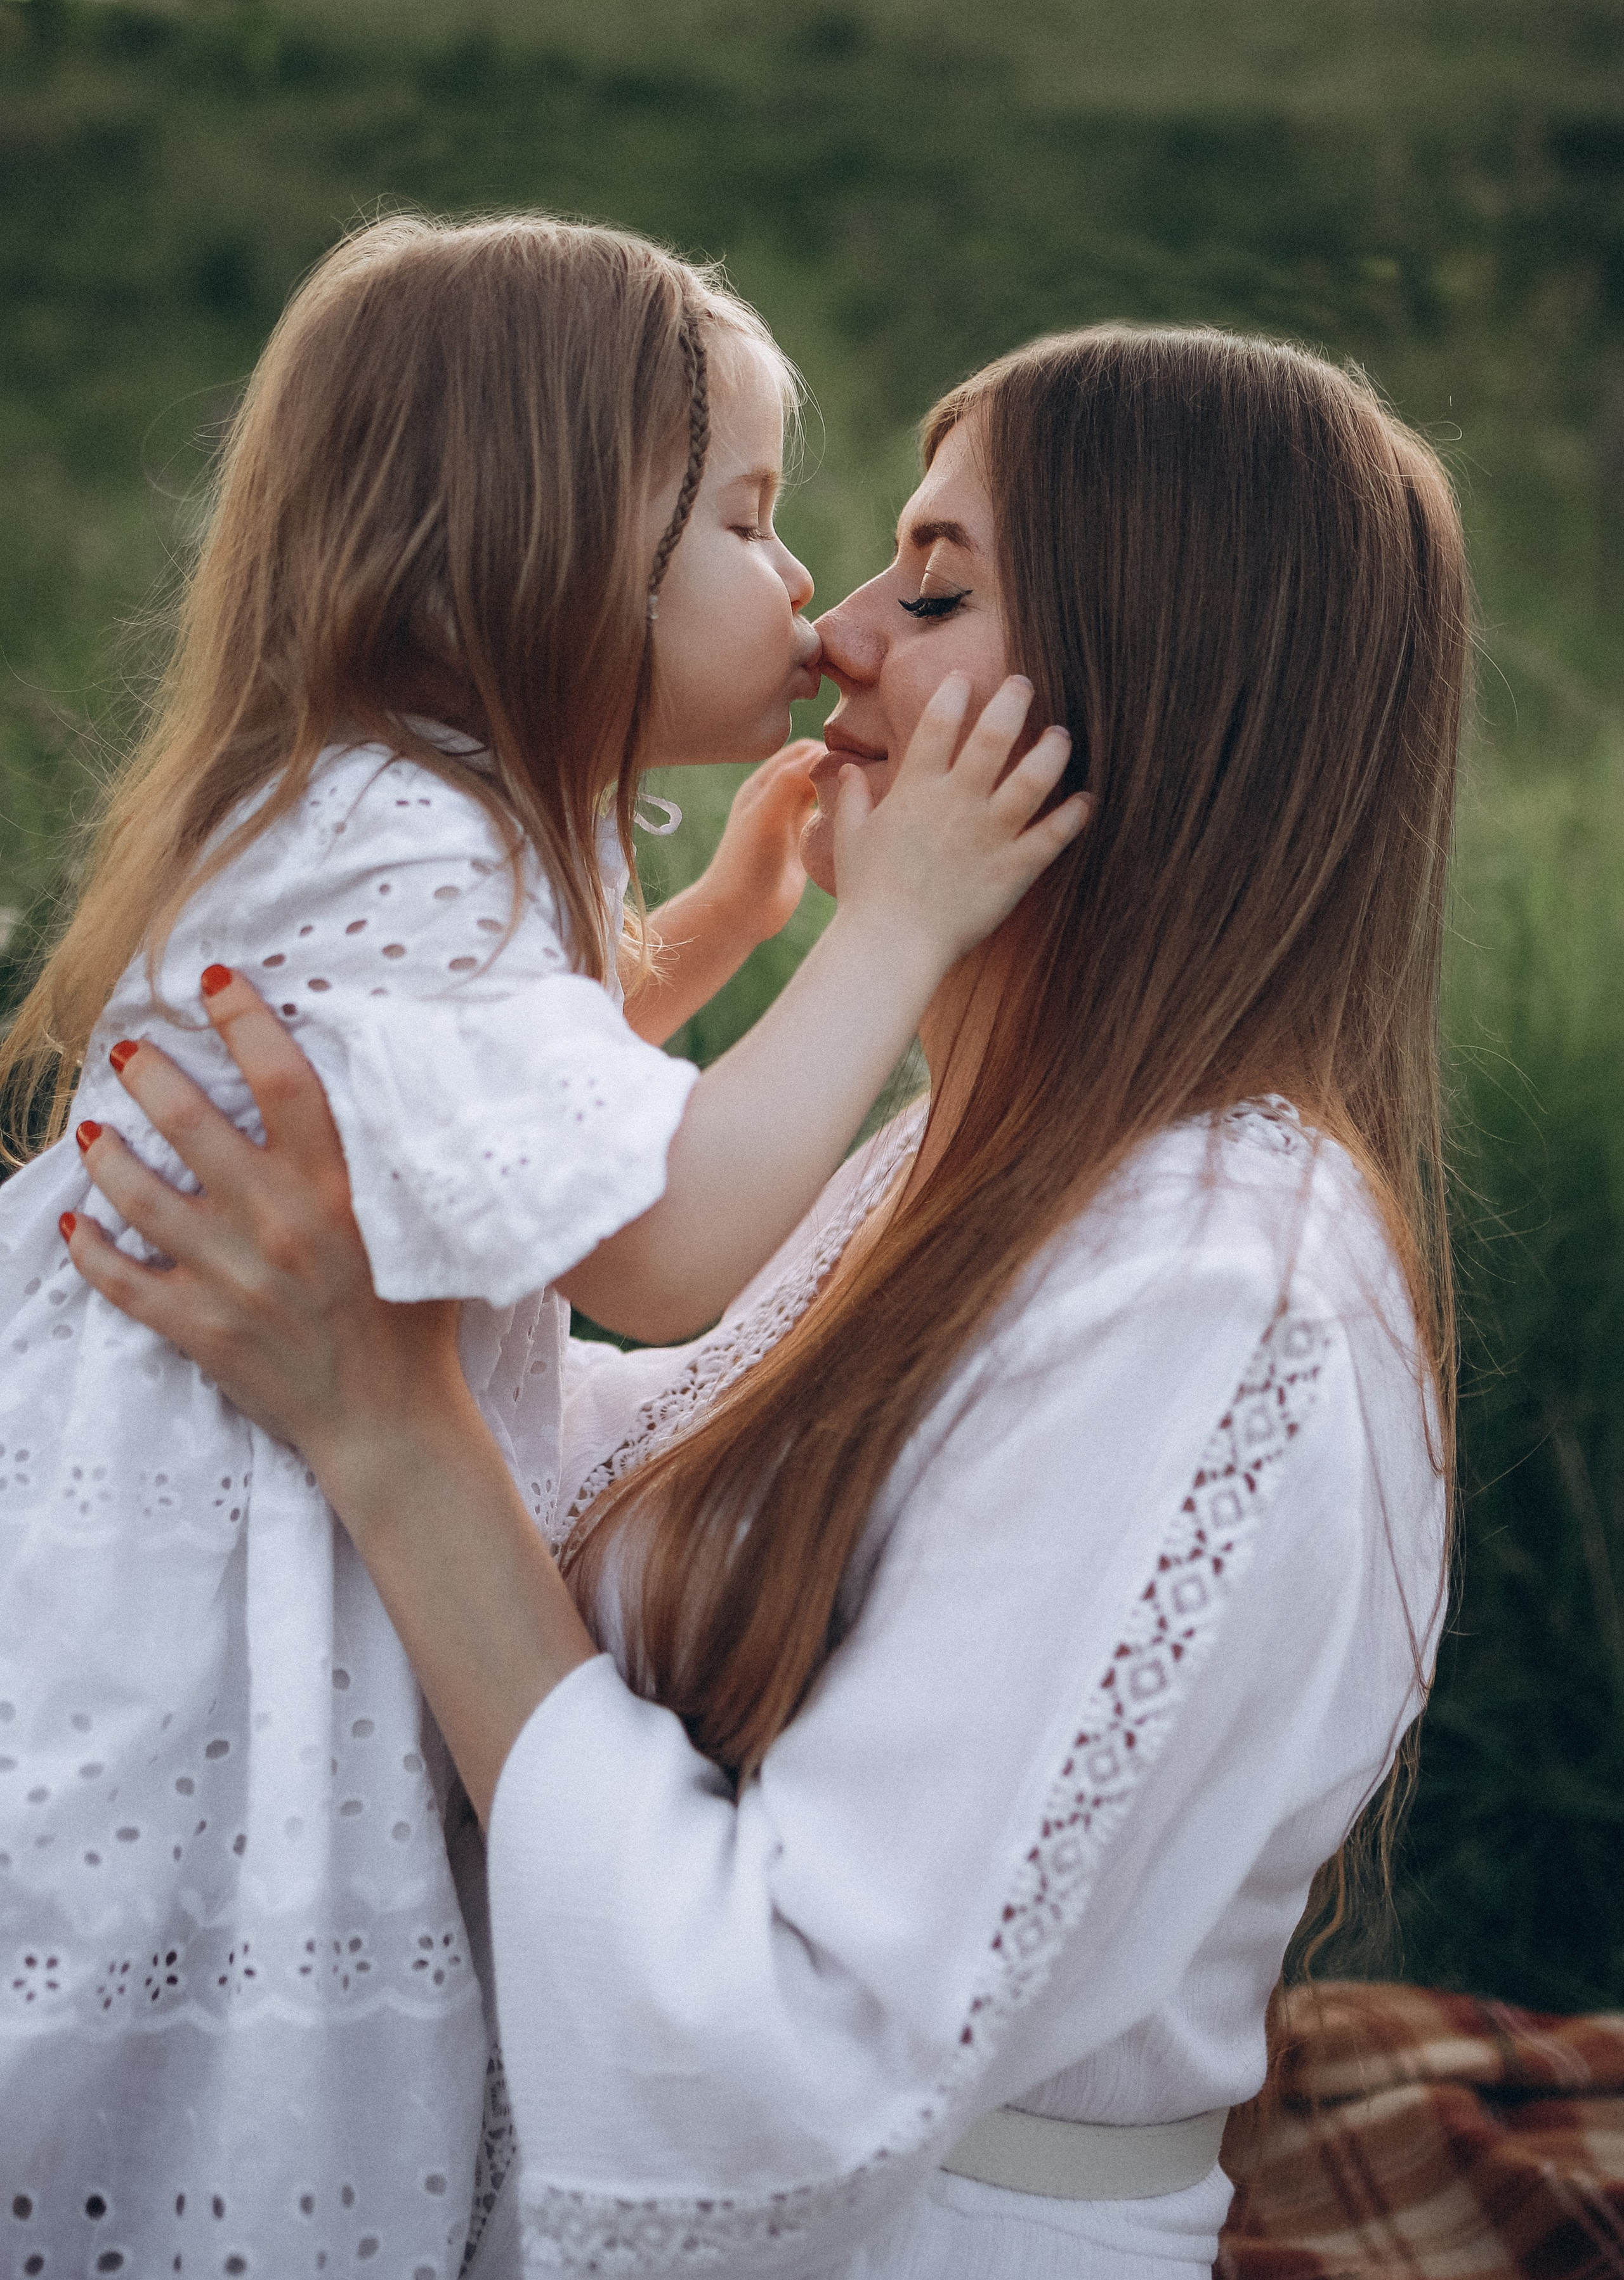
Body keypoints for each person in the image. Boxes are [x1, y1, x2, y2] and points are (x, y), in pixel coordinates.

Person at [62, 324, 1465, 2279]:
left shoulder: (1222, 1285)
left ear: (1158, 680)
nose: (845, 635)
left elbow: (779, 2065)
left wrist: (388, 1426)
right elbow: (654, 1445)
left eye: (941, 582)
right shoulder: (970, 1167)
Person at [0, 214, 1084, 2277]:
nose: (802, 592)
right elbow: (654, 1246)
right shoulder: (410, 844)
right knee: (195, 2068)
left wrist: (715, 939)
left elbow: (486, 1134)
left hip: (223, 1512)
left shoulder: (395, 818)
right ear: (556, 548)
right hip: (212, 1615)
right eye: (753, 525)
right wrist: (898, 924)